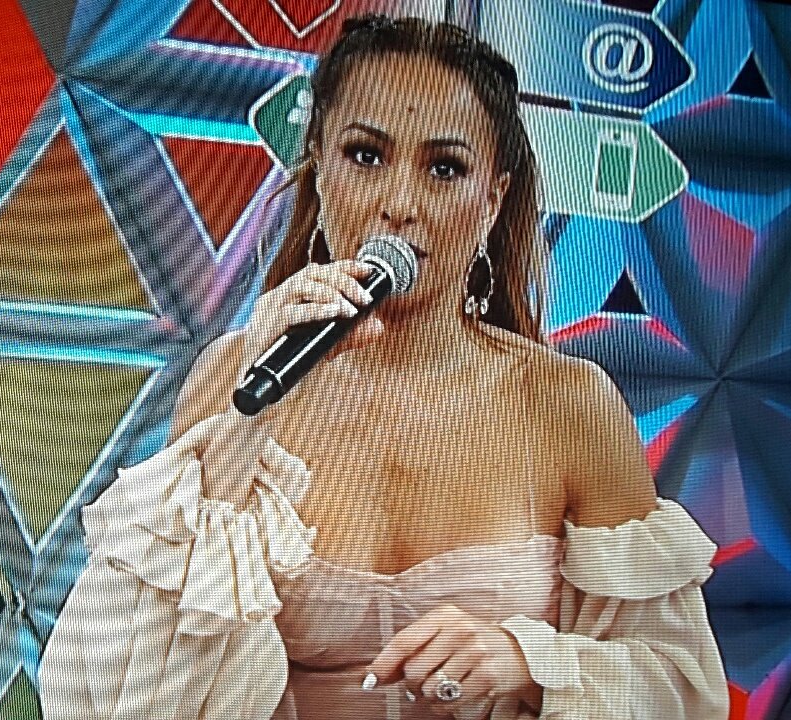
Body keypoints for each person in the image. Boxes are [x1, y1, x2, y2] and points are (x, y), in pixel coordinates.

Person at [38, 14, 730, 720]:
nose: (399, 205)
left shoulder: (568, 404)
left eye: (444, 169)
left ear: (492, 200)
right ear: (319, 167)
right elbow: (111, 700)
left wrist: (528, 664)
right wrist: (243, 430)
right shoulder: (237, 378)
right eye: (366, 156)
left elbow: (680, 689)